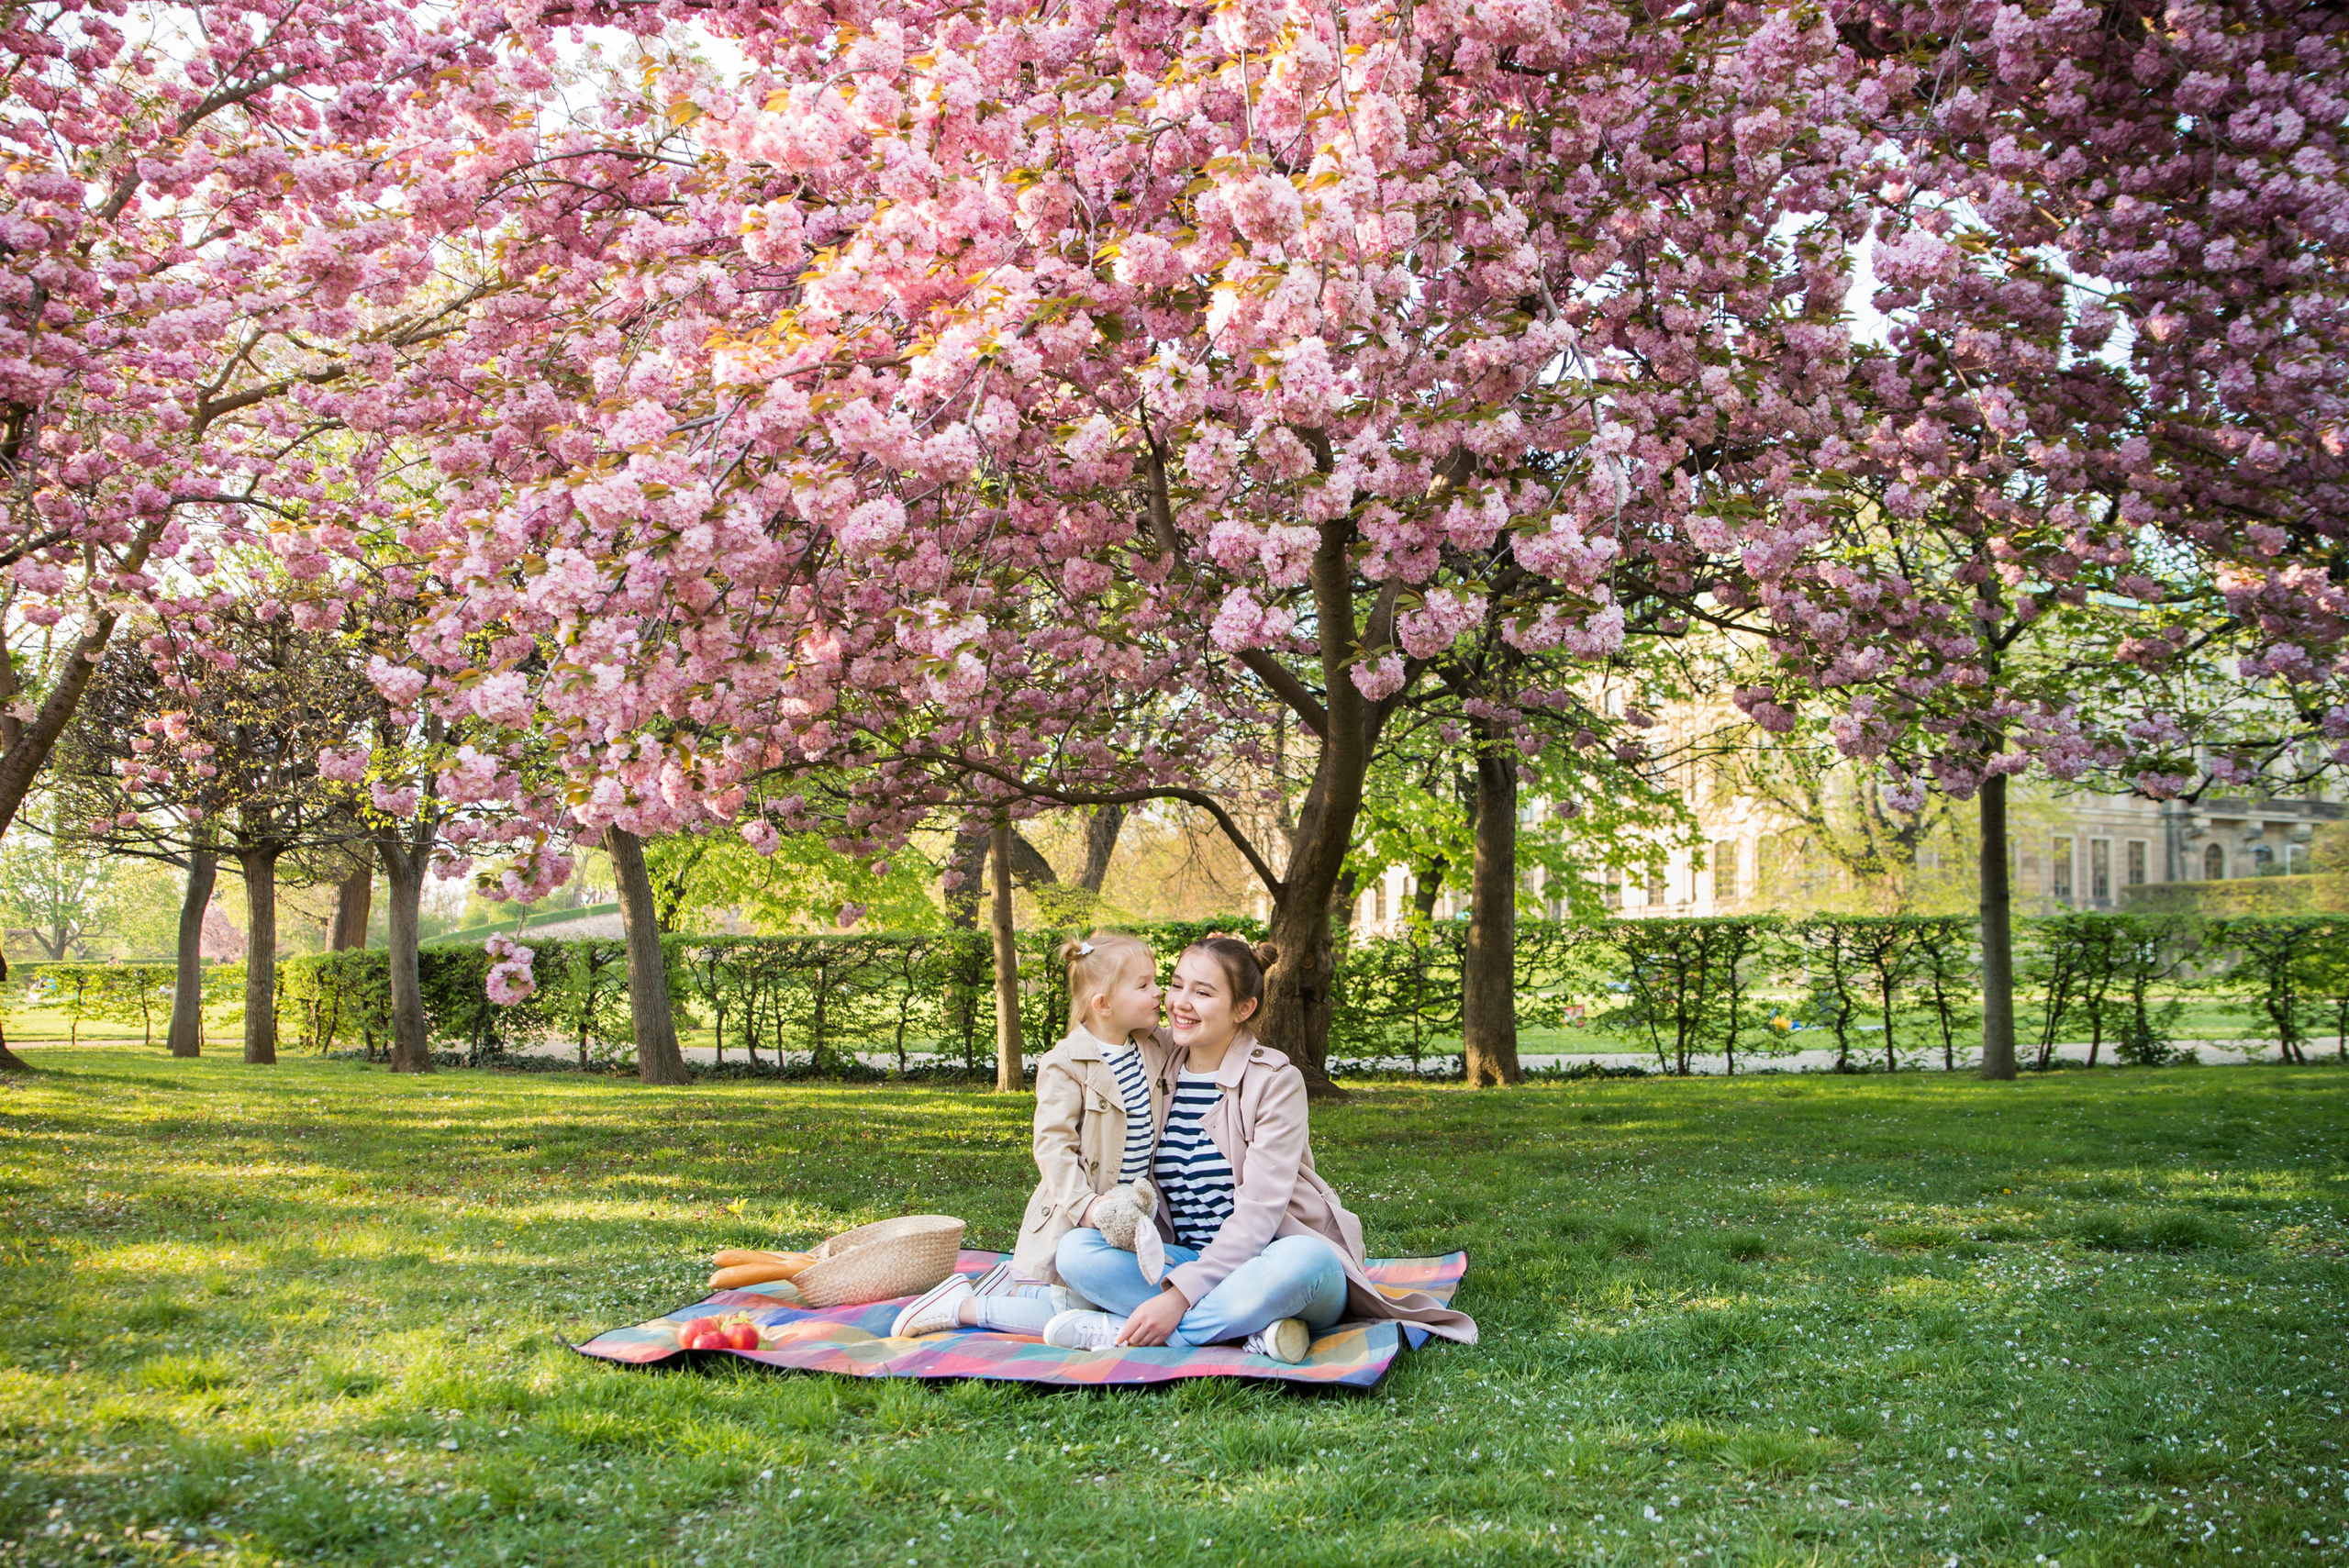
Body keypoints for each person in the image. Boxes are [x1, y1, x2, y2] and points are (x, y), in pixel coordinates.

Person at [1045, 934, 1476, 1362]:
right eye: (1176, 985)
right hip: (1188, 1260)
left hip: (1271, 1263)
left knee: (1305, 1259)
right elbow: (1108, 1011)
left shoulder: (1275, 1082)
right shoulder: (1155, 1061)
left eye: (1203, 992)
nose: (1179, 1002)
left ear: (1244, 1008)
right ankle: (1249, 1330)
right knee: (1077, 1251)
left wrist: (1176, 1299)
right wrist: (1213, 957)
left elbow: (1259, 1216)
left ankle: (1132, 1332)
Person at [890, 929, 1170, 1338]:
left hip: (1129, 1214)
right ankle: (961, 1307)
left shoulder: (1150, 1046)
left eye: (1155, 981)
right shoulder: (1067, 1062)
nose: (1159, 992)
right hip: (1080, 1215)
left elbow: (1199, 1023)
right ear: (1103, 1004)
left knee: (1109, 1297)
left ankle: (1009, 1288)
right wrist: (1087, 1207)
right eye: (1144, 985)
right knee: (1075, 1310)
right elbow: (1054, 1145)